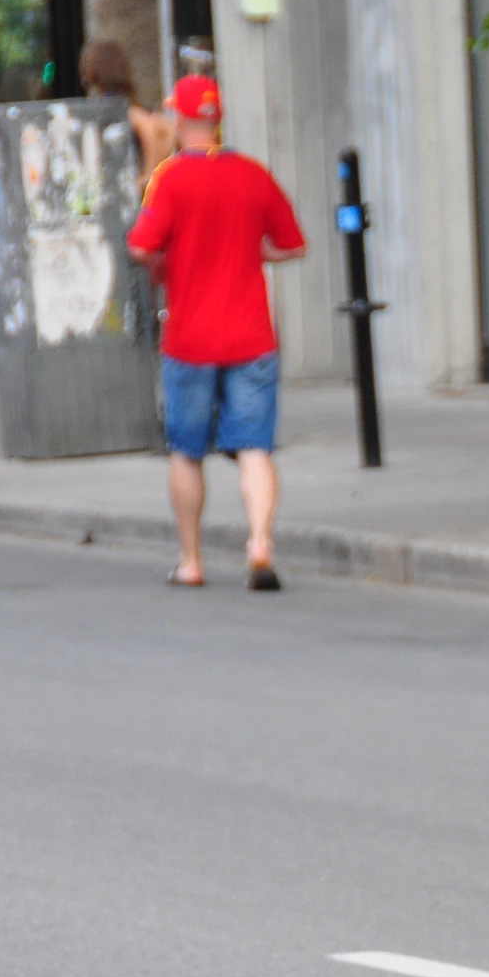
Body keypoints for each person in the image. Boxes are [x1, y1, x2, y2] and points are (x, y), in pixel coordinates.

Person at [124, 76, 306, 592]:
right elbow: (292, 246)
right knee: (254, 448)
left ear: (181, 121)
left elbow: (141, 247)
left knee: (186, 451)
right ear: (217, 119)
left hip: (191, 338)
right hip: (251, 335)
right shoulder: (253, 175)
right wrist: (254, 252)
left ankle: (192, 560)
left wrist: (167, 260)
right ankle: (260, 543)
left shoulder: (171, 179)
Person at [78, 39, 172, 181]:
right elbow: (166, 129)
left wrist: (147, 176)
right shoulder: (131, 103)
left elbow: (150, 128)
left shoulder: (112, 107)